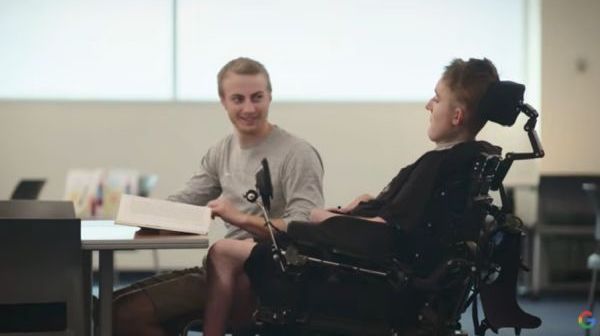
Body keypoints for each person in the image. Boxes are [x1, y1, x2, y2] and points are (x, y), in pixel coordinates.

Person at [202, 57, 502, 336]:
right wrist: (371, 204)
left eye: (436, 98)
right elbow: (406, 217)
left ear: (457, 115)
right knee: (243, 265)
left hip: (367, 278)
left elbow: (381, 235)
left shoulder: (436, 164)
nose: (428, 105)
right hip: (394, 271)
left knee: (223, 252)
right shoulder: (464, 161)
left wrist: (323, 218)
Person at [112, 57, 324, 336]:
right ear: (223, 101)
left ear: (270, 97)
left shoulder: (297, 153)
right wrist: (143, 212)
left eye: (257, 97)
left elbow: (303, 228)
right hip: (217, 274)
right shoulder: (221, 151)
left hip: (265, 278)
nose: (249, 108)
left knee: (122, 314)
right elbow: (187, 198)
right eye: (238, 99)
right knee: (115, 310)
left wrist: (239, 217)